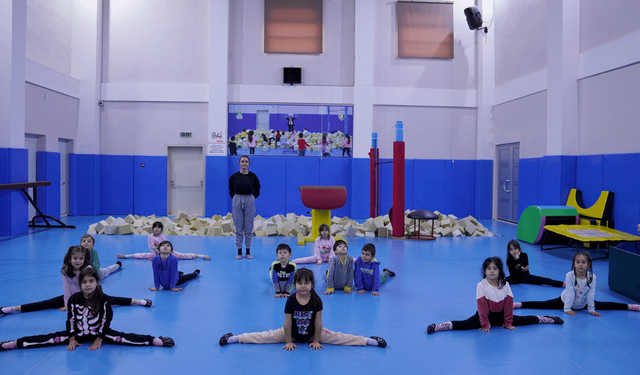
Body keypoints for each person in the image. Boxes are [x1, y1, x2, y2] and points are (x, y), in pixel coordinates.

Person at [0, 268, 174, 352]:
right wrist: (72, 338)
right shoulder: (75, 299)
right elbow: (71, 319)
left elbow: (106, 320)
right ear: (80, 284)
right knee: (50, 338)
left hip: (101, 333)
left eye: (91, 281)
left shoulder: (104, 299)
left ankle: (153, 340)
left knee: (124, 338)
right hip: (78, 334)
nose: (88, 284)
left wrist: (99, 339)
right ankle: (15, 343)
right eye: (84, 282)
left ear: (97, 282)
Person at [218, 268, 387, 350]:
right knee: (264, 336)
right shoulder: (291, 300)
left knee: (340, 338)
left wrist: (316, 340)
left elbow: (319, 321)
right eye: (300, 283)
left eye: (307, 283)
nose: (303, 286)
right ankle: (234, 338)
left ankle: (369, 341)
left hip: (314, 334)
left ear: (312, 284)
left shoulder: (316, 300)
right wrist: (289, 340)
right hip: (290, 334)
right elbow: (287, 322)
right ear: (295, 284)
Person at [1, 246, 151, 317]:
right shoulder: (65, 269)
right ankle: (10, 309)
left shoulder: (87, 268)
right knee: (44, 304)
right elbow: (66, 288)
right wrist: (67, 303)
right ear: (70, 258)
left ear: (84, 259)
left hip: (90, 296)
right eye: (75, 258)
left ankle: (140, 301)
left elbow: (95, 286)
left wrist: (97, 299)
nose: (78, 261)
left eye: (80, 258)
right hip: (73, 297)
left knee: (114, 300)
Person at [427, 257, 564, 334]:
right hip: (484, 316)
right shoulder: (481, 285)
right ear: (485, 271)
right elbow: (482, 307)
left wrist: (508, 322)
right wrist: (485, 323)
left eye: (495, 268)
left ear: (500, 271)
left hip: (503, 315)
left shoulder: (505, 284)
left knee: (524, 320)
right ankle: (438, 326)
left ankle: (549, 319)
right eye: (488, 269)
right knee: (465, 324)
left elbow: (509, 304)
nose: (492, 271)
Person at [513, 252, 640, 316]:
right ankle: (520, 304)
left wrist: (591, 309)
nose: (580, 264)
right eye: (578, 262)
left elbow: (591, 294)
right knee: (545, 304)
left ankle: (630, 306)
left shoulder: (592, 277)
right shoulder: (570, 276)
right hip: (564, 301)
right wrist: (567, 308)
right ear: (574, 264)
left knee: (605, 305)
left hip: (582, 303)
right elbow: (570, 293)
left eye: (583, 262)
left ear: (588, 264)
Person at [117, 221, 210, 260]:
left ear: (161, 229)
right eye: (155, 227)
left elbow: (166, 245)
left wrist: (163, 255)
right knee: (142, 255)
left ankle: (200, 255)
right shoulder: (149, 237)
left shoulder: (162, 236)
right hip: (155, 253)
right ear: (152, 228)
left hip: (167, 253)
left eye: (159, 228)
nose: (157, 229)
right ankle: (126, 256)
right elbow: (151, 247)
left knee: (182, 255)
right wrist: (154, 256)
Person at [229, 155, 260, 259]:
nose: (244, 163)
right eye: (242, 161)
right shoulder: (234, 177)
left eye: (246, 161)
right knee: (238, 227)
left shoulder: (253, 177)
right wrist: (236, 198)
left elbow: (257, 189)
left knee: (248, 227)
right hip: (237, 199)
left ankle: (248, 251)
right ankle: (239, 251)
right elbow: (231, 190)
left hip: (249, 200)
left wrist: (251, 198)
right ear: (239, 163)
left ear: (249, 164)